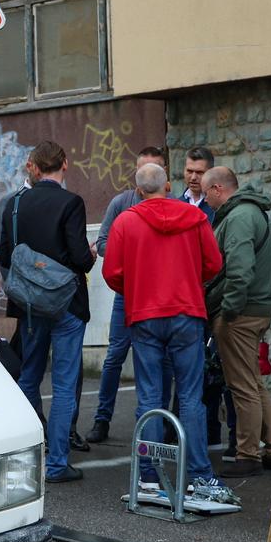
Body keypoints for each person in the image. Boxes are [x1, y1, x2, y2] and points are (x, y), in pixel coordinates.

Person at [102, 162, 239, 506]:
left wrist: (135, 288)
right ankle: (198, 474)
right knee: (191, 397)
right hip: (186, 311)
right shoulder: (194, 218)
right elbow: (213, 265)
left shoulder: (126, 221)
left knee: (149, 397)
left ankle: (148, 474)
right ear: (167, 186)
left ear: (138, 190)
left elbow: (112, 273)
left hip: (144, 314)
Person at [0, 141, 93, 483]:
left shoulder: (15, 203)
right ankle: (57, 464)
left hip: (29, 304)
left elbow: (6, 257)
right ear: (64, 164)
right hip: (67, 303)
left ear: (35, 167)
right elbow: (81, 258)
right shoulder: (71, 203)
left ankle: (29, 456)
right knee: (65, 383)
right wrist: (91, 256)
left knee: (29, 376)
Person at [202, 167, 271, 476]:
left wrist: (228, 311)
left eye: (208, 193)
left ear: (218, 189)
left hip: (241, 313)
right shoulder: (251, 213)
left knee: (242, 387)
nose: (207, 200)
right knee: (253, 383)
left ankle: (248, 454)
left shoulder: (237, 218)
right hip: (255, 309)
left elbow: (239, 270)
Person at [85, 145, 169, 442]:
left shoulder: (172, 205)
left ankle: (162, 423)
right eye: (141, 169)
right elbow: (103, 243)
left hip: (162, 296)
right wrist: (133, 255)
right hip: (129, 293)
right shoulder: (122, 203)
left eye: (154, 168)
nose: (146, 176)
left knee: (164, 361)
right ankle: (102, 419)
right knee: (114, 357)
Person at [181, 147, 216, 222]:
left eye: (199, 172)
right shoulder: (176, 205)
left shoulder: (218, 206)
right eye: (189, 171)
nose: (193, 177)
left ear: (211, 172)